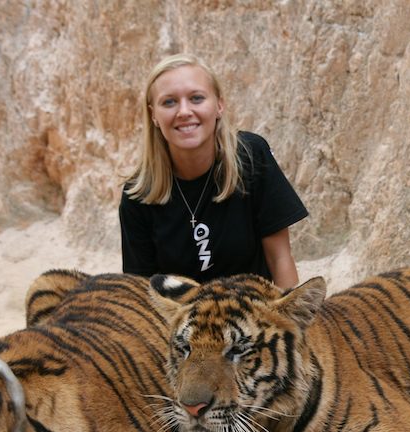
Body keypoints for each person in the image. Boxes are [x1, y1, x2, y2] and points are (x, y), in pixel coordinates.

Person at [120, 53, 306, 289]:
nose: (184, 111)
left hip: (251, 313)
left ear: (219, 104)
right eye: (169, 102)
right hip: (179, 321)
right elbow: (140, 289)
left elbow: (279, 258)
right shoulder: (138, 195)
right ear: (153, 115)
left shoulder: (251, 157)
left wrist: (291, 322)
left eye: (196, 98)